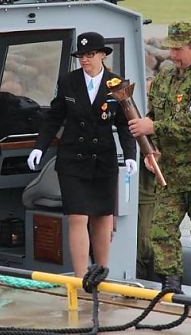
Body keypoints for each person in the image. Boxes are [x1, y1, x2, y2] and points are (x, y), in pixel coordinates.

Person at [128, 22, 191, 297]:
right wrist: (151, 149)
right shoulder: (165, 78)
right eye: (171, 49)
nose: (173, 55)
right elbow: (154, 113)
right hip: (171, 172)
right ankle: (170, 284)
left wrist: (153, 128)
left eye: (179, 49)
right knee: (161, 230)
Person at [27, 32, 137, 277]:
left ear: (102, 55)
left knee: (101, 217)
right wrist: (39, 146)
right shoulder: (68, 81)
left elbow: (125, 123)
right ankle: (80, 278)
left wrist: (131, 155)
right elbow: (54, 117)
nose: (85, 60)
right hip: (73, 160)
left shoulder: (117, 84)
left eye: (90, 55)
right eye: (81, 56)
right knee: (76, 217)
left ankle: (101, 273)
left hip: (103, 159)